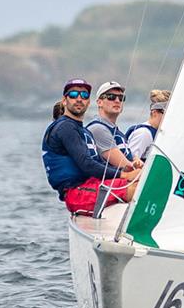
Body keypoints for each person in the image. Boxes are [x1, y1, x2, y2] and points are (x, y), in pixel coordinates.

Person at [42, 79, 138, 215]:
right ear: (65, 100)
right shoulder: (66, 127)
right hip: (76, 193)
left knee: (140, 181)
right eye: (74, 94)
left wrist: (122, 169)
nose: (79, 99)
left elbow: (97, 162)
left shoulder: (81, 130)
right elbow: (87, 164)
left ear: (88, 102)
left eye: (84, 95)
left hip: (90, 185)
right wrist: (125, 174)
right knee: (137, 188)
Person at [85, 81, 142, 181]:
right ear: (99, 102)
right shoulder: (98, 129)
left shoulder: (115, 131)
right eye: (111, 97)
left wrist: (138, 161)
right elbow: (125, 166)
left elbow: (133, 159)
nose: (117, 101)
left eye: (121, 98)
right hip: (108, 189)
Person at [126, 89, 171, 161]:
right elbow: (129, 162)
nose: (169, 117)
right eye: (166, 113)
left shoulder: (158, 133)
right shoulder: (144, 133)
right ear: (154, 112)